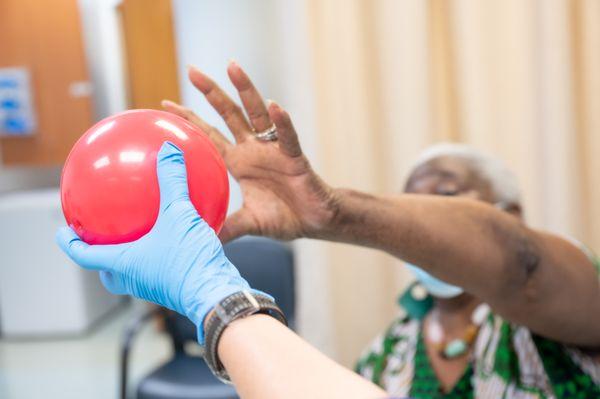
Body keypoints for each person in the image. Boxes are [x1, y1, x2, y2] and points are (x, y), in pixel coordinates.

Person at [57, 61, 600, 399]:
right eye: (409, 198)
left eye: (447, 197)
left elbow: (519, 265)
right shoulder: (389, 352)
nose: (422, 211)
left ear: (512, 211)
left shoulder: (561, 326)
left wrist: (341, 213)